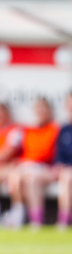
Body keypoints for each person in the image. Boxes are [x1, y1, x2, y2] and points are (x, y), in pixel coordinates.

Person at [3, 97, 59, 230]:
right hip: (27, 165)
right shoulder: (28, 130)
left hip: (42, 166)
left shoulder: (53, 129)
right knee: (15, 175)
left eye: (44, 109)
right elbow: (20, 150)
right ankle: (18, 211)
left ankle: (36, 220)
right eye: (39, 109)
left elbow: (47, 152)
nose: (41, 112)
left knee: (30, 179)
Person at [56, 92, 72, 231]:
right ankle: (64, 220)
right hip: (66, 170)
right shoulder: (64, 129)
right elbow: (59, 154)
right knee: (66, 177)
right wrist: (59, 164)